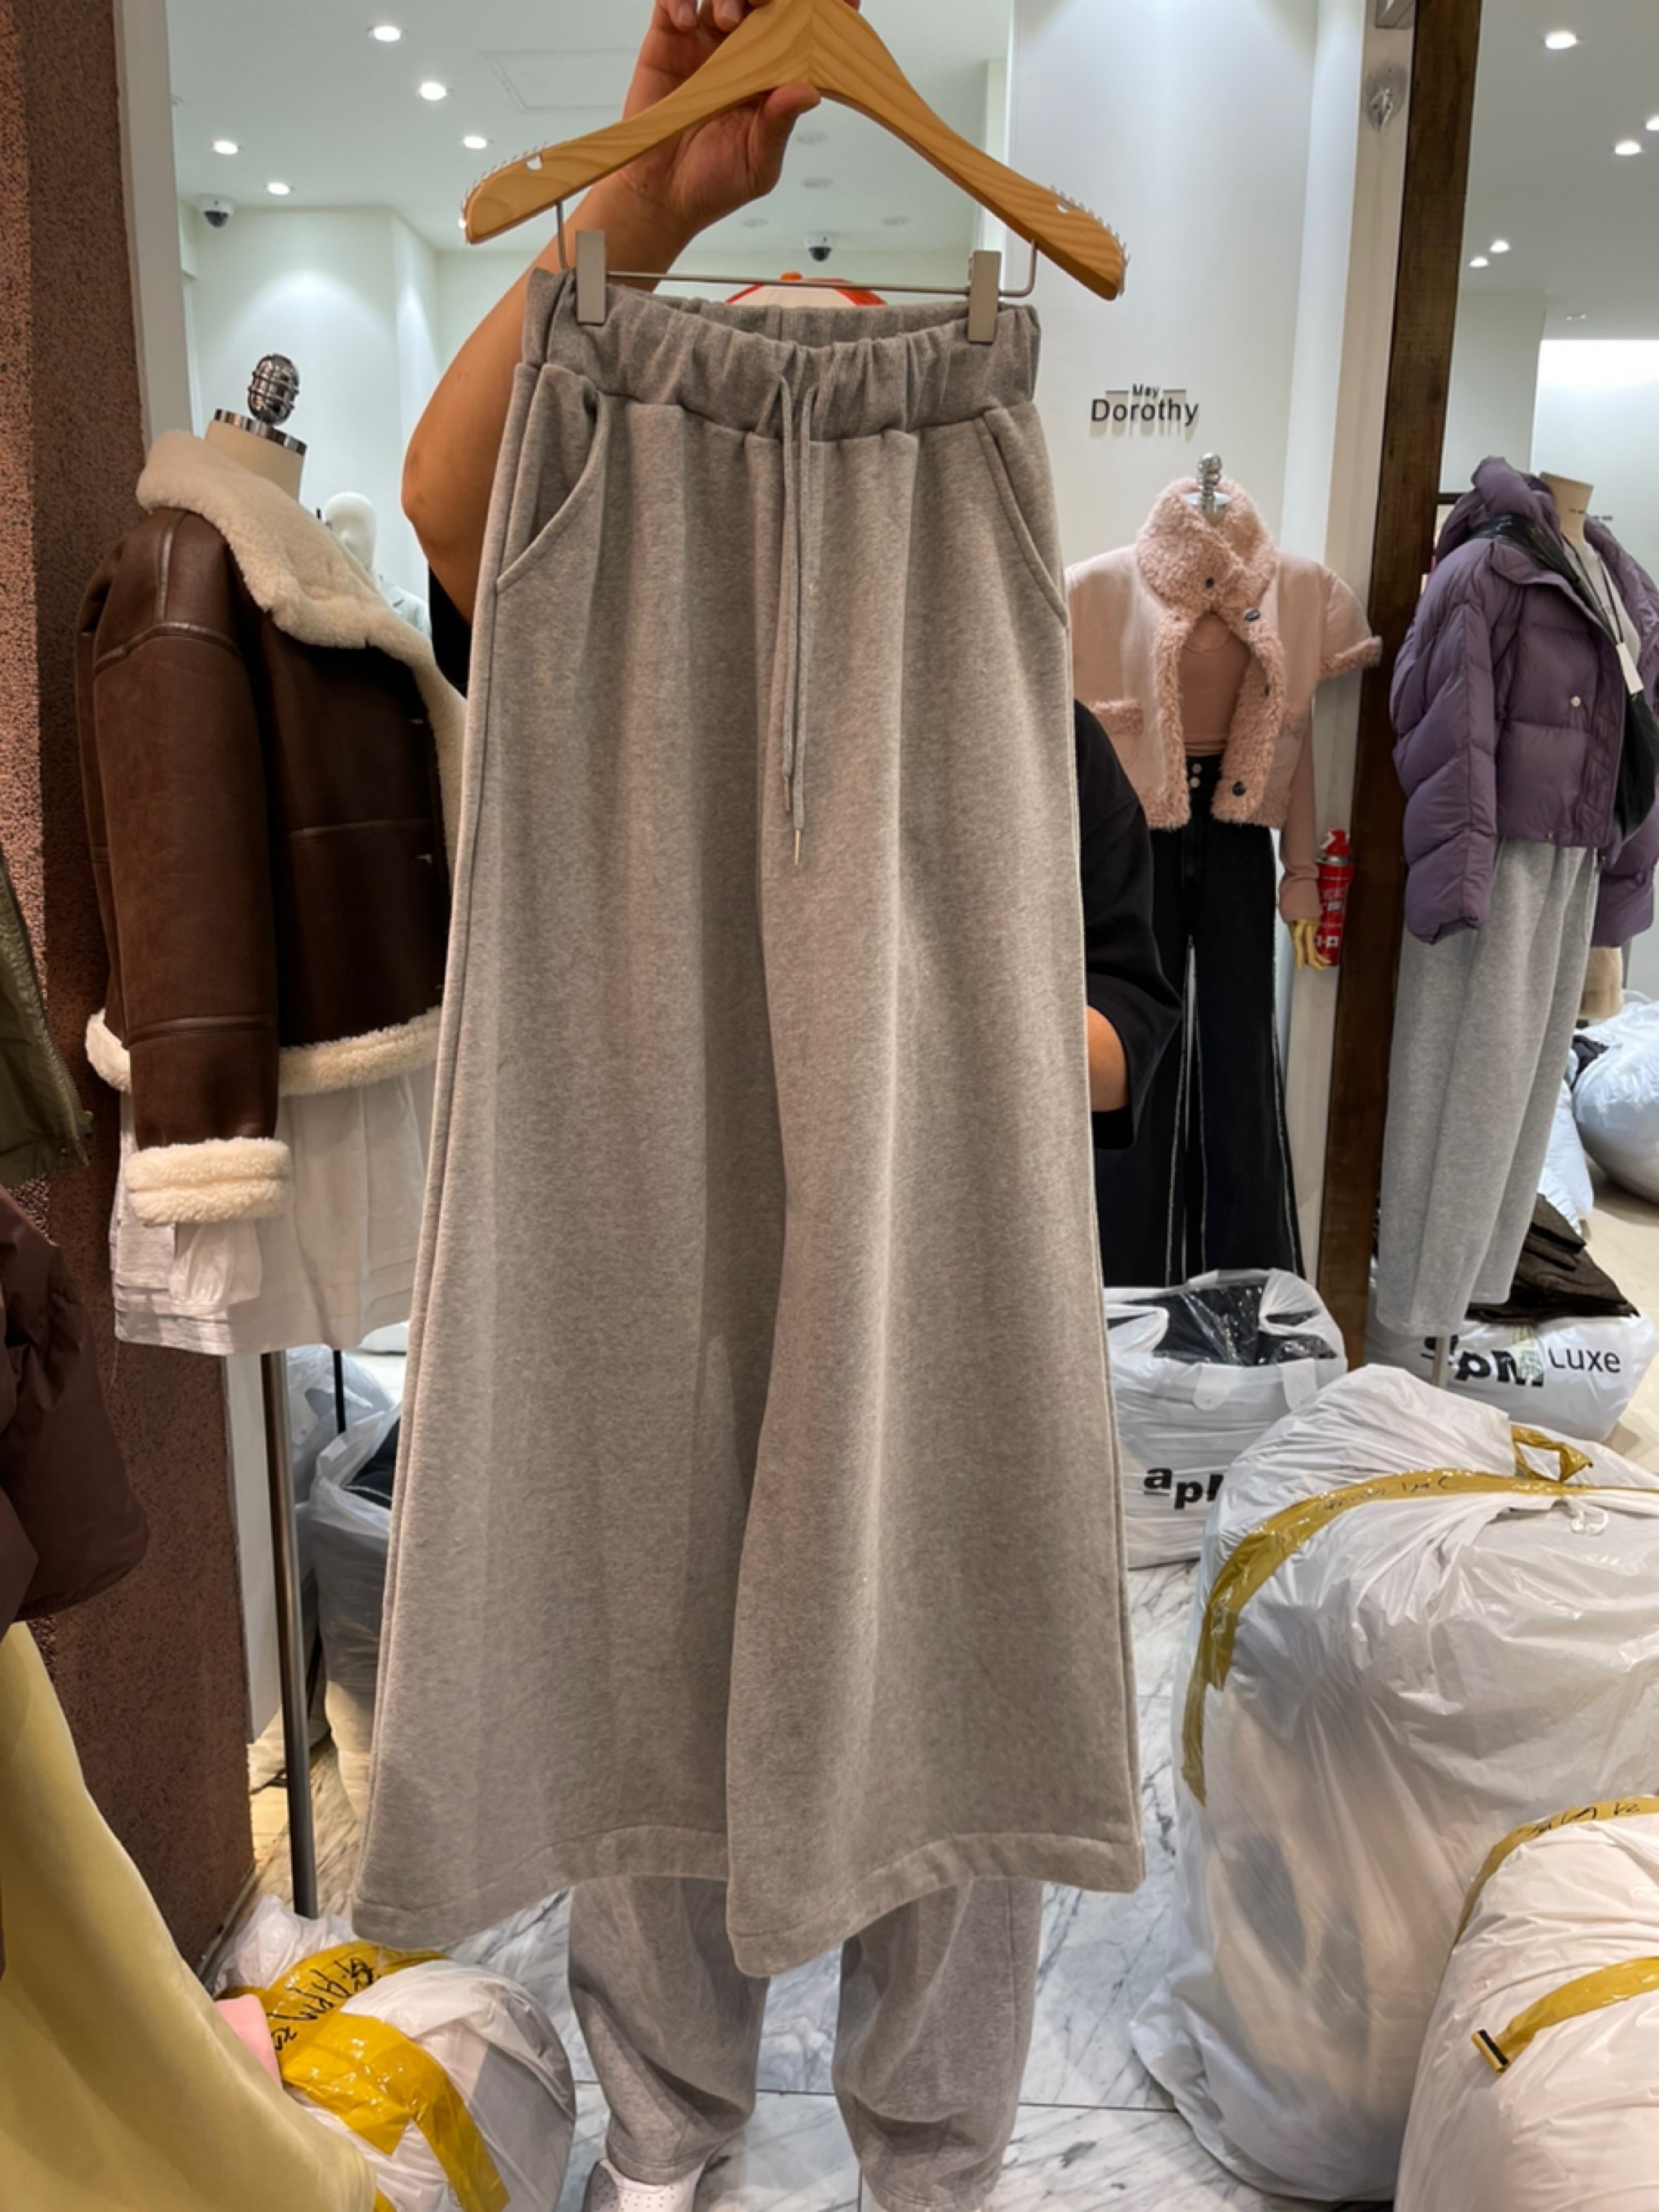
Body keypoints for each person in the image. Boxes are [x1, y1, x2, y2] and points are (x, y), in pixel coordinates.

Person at [402, 9, 1176, 2209]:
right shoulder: (609, 551)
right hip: (656, 1119)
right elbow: (449, 504)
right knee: (647, 1543)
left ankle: (933, 2159)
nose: (798, 401)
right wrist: (639, 198)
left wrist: (946, 1049)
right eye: (755, 346)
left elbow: (1129, 1024)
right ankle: (671, 2144)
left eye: (842, 342)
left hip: (936, 1187)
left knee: (948, 1563)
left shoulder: (1016, 687)